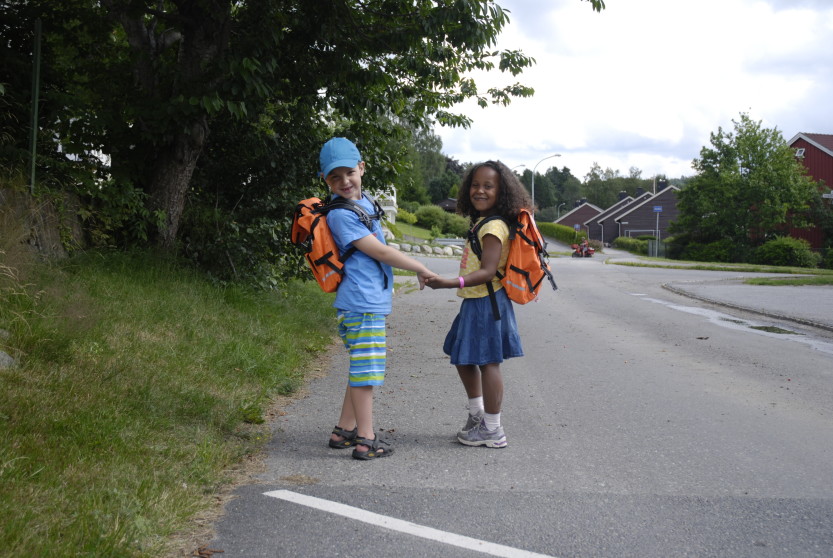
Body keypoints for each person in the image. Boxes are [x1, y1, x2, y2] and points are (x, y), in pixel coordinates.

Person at [320, 137, 437, 460]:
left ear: (361, 168)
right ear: (325, 181)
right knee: (366, 374)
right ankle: (365, 439)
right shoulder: (341, 215)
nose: (344, 182)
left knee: (361, 368)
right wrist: (420, 267)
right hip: (361, 304)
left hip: (365, 301)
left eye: (348, 173)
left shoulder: (365, 202)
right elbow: (379, 250)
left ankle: (343, 431)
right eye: (334, 177)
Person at [425, 160, 528, 448]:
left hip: (487, 300)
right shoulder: (483, 222)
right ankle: (477, 415)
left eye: (488, 186)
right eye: (475, 184)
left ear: (501, 191)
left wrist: (448, 282)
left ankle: (493, 429)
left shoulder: (494, 226)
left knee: (488, 362)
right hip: (477, 300)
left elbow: (487, 270)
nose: (479, 190)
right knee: (463, 356)